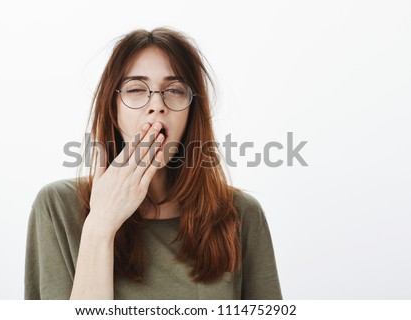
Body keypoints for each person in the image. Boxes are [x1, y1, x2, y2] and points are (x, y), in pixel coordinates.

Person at [24, 27, 282, 300]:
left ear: (192, 111)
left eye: (174, 90)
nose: (157, 105)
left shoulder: (242, 214)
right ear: (114, 109)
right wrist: (100, 225)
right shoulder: (56, 207)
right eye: (136, 89)